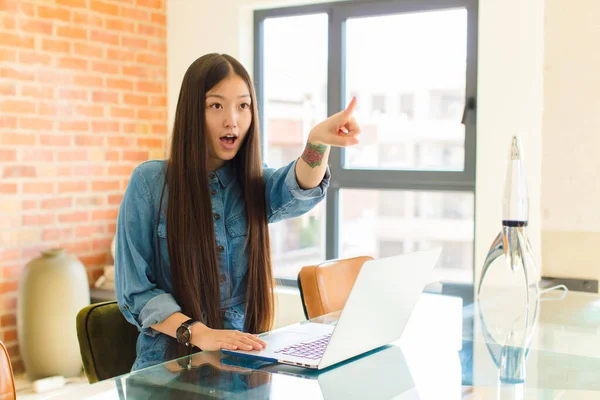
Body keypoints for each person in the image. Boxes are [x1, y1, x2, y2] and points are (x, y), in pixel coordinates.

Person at [115, 53, 361, 371]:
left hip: (243, 363)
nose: (232, 120)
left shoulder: (251, 182)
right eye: (216, 105)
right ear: (192, 112)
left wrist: (317, 143)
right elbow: (135, 291)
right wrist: (198, 333)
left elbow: (297, 187)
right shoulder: (149, 183)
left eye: (243, 106)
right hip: (168, 366)